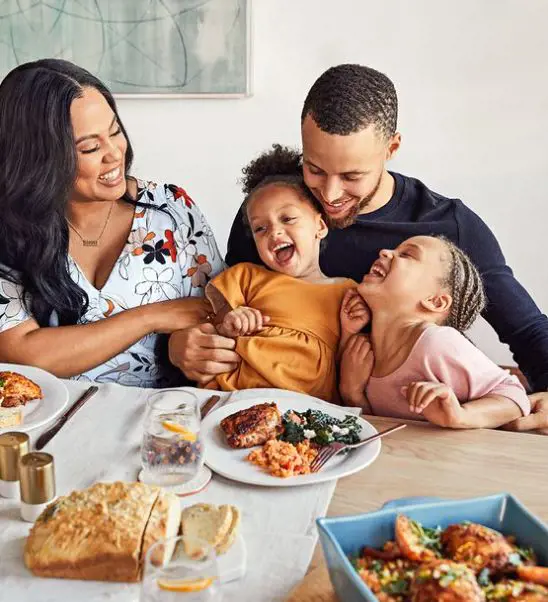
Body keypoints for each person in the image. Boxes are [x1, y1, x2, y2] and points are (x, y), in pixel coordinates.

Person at [169, 63, 548, 432]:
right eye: (314, 168)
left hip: (406, 429)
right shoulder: (275, 211)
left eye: (352, 176)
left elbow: (530, 331)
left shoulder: (447, 229)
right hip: (273, 418)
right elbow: (224, 310)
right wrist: (184, 345)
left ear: (392, 147)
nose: (330, 196)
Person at [0, 59, 224, 387]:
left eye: (115, 131)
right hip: (52, 429)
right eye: (90, 147)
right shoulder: (11, 229)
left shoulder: (170, 209)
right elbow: (21, 351)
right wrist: (151, 317)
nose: (114, 153)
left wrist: (182, 347)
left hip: (165, 424)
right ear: (40, 159)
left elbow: (219, 309)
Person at [203, 145, 355, 400]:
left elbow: (347, 355)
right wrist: (231, 320)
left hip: (308, 406)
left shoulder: (346, 290)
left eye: (287, 219)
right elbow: (215, 310)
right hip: (237, 394)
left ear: (319, 225)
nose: (274, 232)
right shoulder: (249, 276)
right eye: (260, 228)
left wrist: (351, 331)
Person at [338, 235, 530, 428]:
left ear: (435, 301)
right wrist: (353, 394)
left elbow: (514, 394)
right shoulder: (362, 351)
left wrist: (460, 416)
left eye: (407, 255)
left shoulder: (436, 342)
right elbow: (379, 431)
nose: (385, 252)